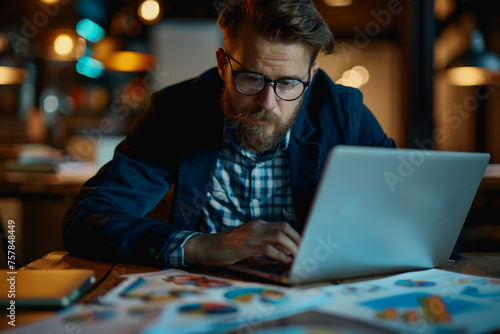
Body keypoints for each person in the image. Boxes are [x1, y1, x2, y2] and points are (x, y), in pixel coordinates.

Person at [62, 0, 396, 268]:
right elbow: (87, 219)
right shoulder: (176, 112)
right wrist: (200, 246)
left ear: (311, 75)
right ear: (223, 64)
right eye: (251, 77)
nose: (267, 102)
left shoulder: (344, 115)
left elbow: (419, 215)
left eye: (289, 83)